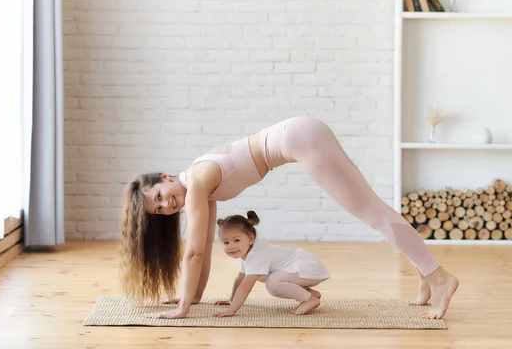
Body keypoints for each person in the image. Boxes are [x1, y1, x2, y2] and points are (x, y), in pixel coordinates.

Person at [120, 116, 458, 320]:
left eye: (160, 197)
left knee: (368, 210)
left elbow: (192, 252)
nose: (166, 206)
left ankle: (439, 276)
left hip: (300, 138)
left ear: (164, 177)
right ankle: (426, 274)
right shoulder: (199, 184)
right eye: (159, 210)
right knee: (371, 207)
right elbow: (204, 249)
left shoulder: (195, 181)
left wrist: (181, 310)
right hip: (299, 135)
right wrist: (191, 297)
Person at [211, 210, 329, 317]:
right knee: (274, 281)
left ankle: (309, 299)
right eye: (226, 243)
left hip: (308, 267)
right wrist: (232, 299)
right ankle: (310, 294)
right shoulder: (246, 252)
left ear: (251, 238)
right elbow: (240, 279)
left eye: (236, 240)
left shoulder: (257, 254)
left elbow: (245, 286)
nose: (231, 247)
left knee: (273, 283)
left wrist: (231, 310)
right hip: (302, 269)